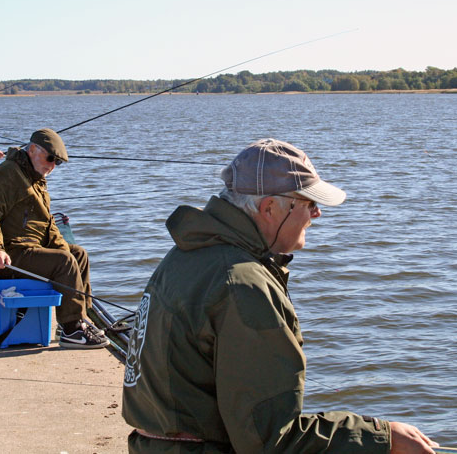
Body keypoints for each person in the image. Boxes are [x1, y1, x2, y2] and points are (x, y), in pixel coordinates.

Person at [121, 138, 438, 454]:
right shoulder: (243, 284)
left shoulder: (185, 255)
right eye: (308, 204)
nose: (316, 215)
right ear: (270, 208)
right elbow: (272, 442)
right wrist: (383, 437)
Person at [0, 129, 108, 349]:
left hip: (28, 251)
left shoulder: (35, 179)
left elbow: (48, 227)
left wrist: (65, 250)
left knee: (77, 255)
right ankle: (72, 329)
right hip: (6, 256)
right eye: (50, 158)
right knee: (64, 262)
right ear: (33, 149)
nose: (52, 166)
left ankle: (79, 319)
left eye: (58, 163)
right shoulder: (8, 173)